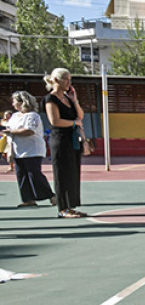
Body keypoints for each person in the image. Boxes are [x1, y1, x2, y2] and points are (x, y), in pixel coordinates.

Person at [43, 68, 88, 218]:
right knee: (62, 173)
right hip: (60, 140)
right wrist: (74, 123)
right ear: (56, 80)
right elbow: (55, 121)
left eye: (69, 79)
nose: (69, 82)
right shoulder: (51, 99)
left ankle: (71, 206)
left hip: (72, 139)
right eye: (65, 79)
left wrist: (75, 100)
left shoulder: (68, 98)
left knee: (73, 172)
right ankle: (62, 208)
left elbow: (80, 115)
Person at [6, 92, 54, 207]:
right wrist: (9, 149)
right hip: (18, 150)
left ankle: (51, 196)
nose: (13, 104)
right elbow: (9, 132)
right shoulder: (14, 117)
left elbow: (29, 131)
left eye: (15, 101)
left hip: (33, 150)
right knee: (21, 175)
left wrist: (12, 132)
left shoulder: (33, 116)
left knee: (34, 174)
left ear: (22, 102)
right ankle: (28, 199)